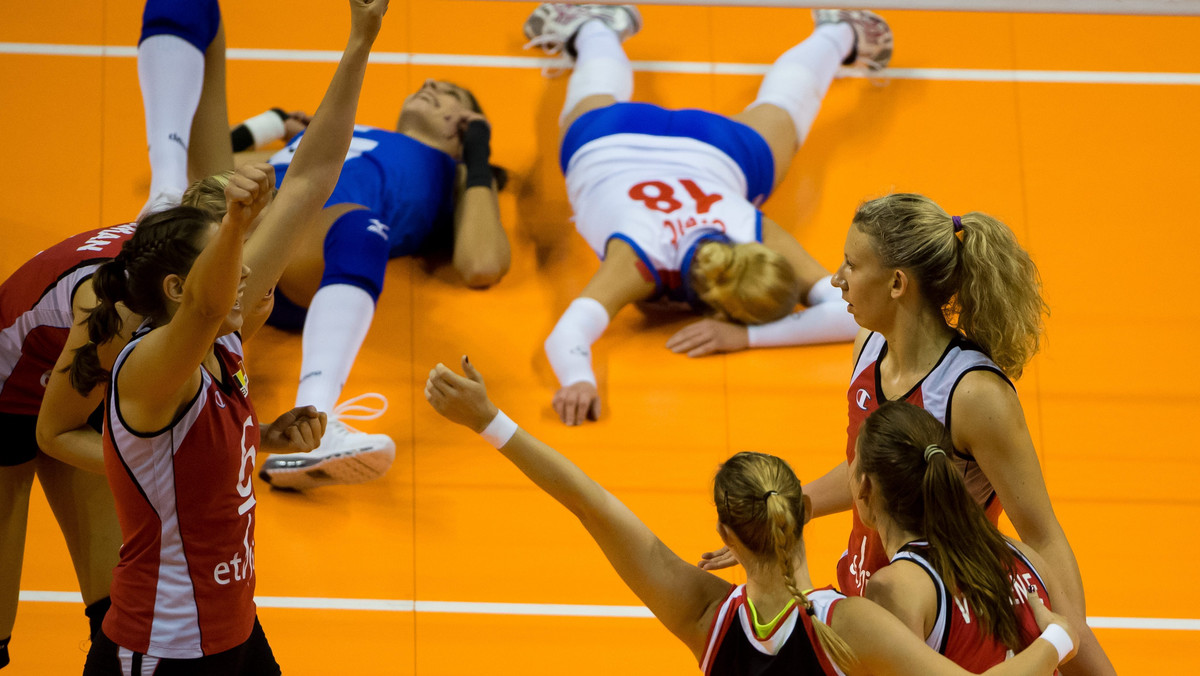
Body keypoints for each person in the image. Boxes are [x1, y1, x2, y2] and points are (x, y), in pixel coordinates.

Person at [41, 0, 385, 671]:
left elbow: (312, 178)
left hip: (233, 634)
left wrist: (359, 43)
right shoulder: (150, 366)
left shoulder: (221, 337)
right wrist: (230, 218)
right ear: (180, 288)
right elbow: (202, 306)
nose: (247, 272)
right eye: (230, 260)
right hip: (160, 652)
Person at [423, 357, 1077, 675]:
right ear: (805, 508)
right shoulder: (849, 623)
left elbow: (590, 505)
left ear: (727, 538)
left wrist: (490, 421)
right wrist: (1058, 639)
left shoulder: (708, 619)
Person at [700, 193, 1115, 674]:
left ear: (897, 283)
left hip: (941, 619)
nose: (836, 279)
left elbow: (1042, 535)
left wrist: (1072, 643)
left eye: (852, 265)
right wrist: (791, 509)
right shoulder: (869, 346)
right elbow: (868, 467)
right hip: (866, 595)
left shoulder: (975, 395)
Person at [524, 4, 883, 425]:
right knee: (590, 100)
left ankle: (841, 31)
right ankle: (594, 28)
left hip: (714, 149)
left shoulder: (754, 232)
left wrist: (581, 375)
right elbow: (569, 333)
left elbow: (850, 314)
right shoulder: (640, 261)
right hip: (608, 140)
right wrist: (748, 339)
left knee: (784, 106)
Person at [253, 73, 512, 490]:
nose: (430, 85)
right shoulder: (336, 129)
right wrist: (273, 127)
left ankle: (313, 425)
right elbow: (205, 163)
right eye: (430, 85)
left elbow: (482, 263)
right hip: (231, 229)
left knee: (361, 226)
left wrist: (477, 149)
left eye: (450, 95)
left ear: (465, 122)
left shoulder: (453, 174)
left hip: (298, 256)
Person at [854, 401, 1063, 670]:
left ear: (864, 486)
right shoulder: (1022, 556)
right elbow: (1075, 639)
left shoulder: (895, 588)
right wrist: (1062, 638)